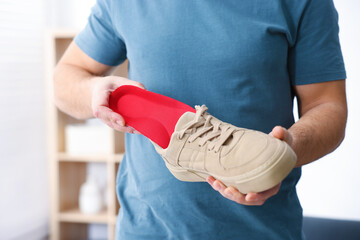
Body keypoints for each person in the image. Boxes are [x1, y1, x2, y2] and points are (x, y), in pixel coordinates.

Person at [53, 0, 347, 239]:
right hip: (145, 229)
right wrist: (93, 91)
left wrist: (286, 149)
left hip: (261, 230)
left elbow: (327, 105)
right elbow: (65, 79)